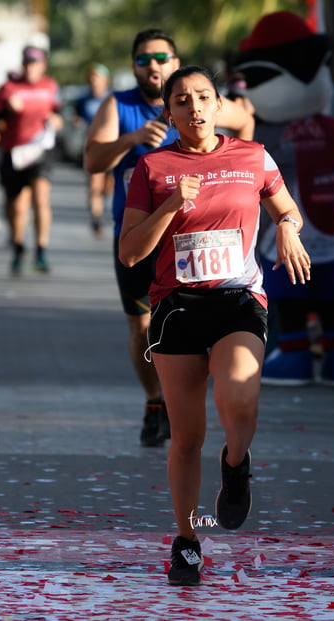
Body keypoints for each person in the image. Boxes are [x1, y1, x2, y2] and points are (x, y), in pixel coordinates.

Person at [119, 65, 311, 586]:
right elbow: (131, 252)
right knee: (185, 438)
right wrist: (170, 204)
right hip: (177, 307)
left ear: (219, 103)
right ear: (170, 112)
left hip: (238, 301)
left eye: (204, 97)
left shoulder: (251, 155)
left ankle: (236, 461)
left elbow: (285, 208)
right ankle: (187, 541)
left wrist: (289, 230)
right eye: (183, 100)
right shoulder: (153, 167)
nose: (195, 107)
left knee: (240, 396)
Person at [84, 28, 255, 448]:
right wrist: (132, 140)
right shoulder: (119, 105)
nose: (154, 65)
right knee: (143, 329)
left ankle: (198, 401)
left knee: (210, 320)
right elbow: (91, 160)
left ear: (175, 63)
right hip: (142, 234)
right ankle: (155, 400)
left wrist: (236, 183)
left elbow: (245, 119)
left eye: (162, 57)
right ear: (133, 67)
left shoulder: (200, 99)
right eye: (144, 59)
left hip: (197, 235)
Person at [232, 11, 334, 386]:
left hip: (283, 235)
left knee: (286, 297)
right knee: (330, 297)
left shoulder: (263, 134)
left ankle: (294, 358)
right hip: (330, 232)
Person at [0, 45, 62, 275]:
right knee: (16, 205)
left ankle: (41, 250)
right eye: (27, 62)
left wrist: (56, 120)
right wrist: (6, 111)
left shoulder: (50, 87)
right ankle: (18, 247)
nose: (30, 66)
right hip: (13, 152)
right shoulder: (8, 88)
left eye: (35, 62)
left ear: (43, 65)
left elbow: (58, 113)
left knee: (41, 199)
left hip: (39, 152)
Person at [75, 63, 113, 236]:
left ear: (105, 80)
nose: (93, 81)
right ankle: (96, 219)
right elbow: (78, 117)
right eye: (91, 77)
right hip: (93, 147)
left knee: (109, 186)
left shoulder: (113, 98)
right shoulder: (83, 100)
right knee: (94, 184)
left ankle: (104, 198)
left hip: (113, 146)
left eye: (97, 77)